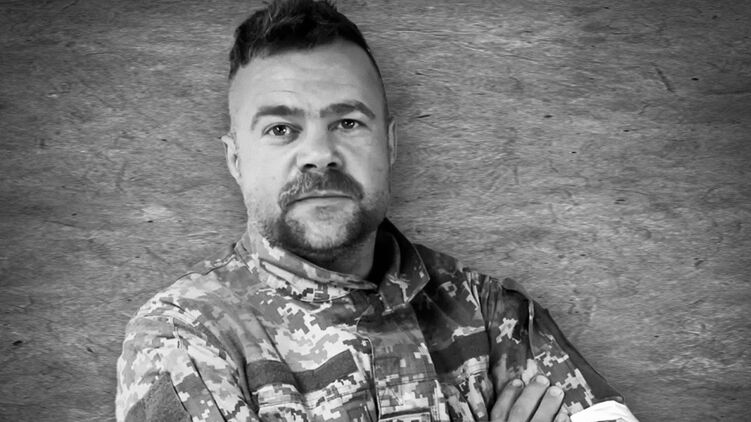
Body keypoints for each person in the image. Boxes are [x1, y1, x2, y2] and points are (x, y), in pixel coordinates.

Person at [116, 1, 639, 421]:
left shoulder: (489, 313)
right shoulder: (185, 337)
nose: (319, 153)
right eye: (281, 129)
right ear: (236, 159)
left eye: (347, 123)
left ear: (388, 144)